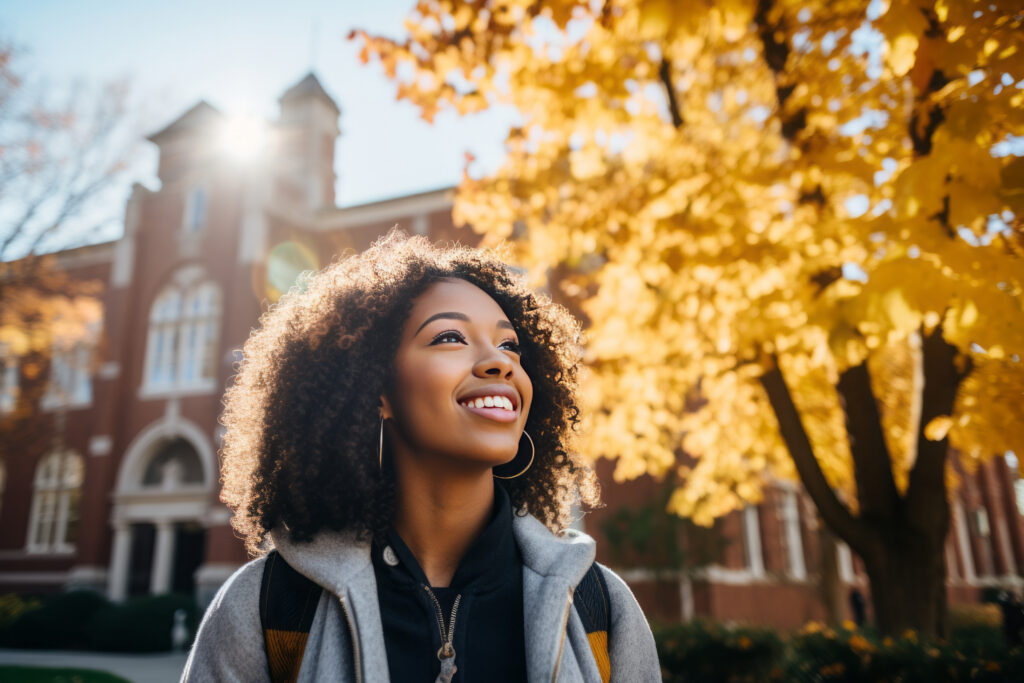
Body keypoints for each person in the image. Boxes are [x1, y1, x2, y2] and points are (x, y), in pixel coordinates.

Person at [181, 232, 661, 682]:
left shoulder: (601, 607)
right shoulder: (268, 607)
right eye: (450, 337)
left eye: (510, 344)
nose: (501, 362)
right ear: (376, 390)